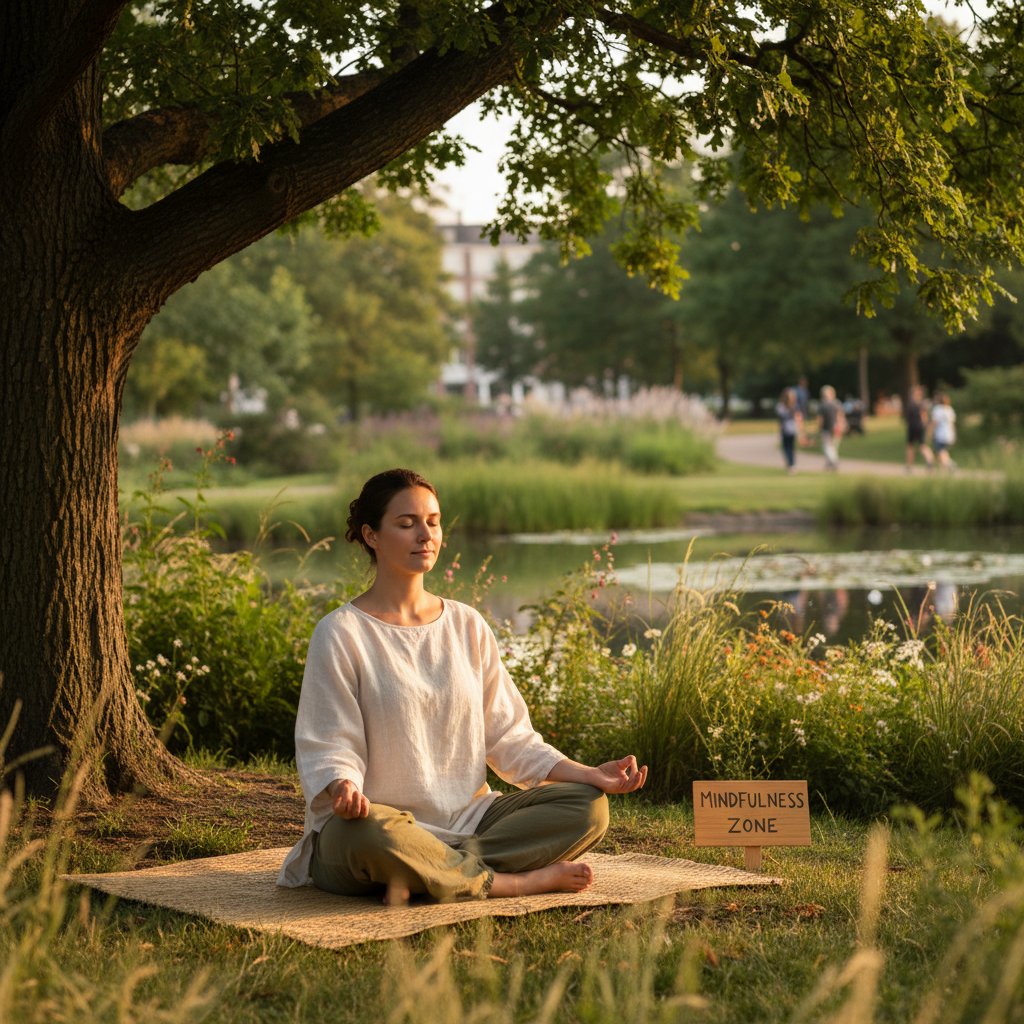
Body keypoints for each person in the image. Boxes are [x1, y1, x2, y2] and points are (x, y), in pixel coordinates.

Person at [277, 468, 649, 904]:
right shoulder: (341, 632)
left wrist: (589, 774)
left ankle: (436, 871)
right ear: (371, 535)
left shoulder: (466, 624)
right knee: (377, 836)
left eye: (433, 521)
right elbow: (328, 739)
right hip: (373, 826)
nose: (425, 535)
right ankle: (509, 882)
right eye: (406, 523)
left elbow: (510, 737)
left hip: (470, 819)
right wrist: (342, 786)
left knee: (586, 807)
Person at [904, 384, 934, 473]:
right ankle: (929, 462)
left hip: (912, 427)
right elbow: (924, 417)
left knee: (910, 446)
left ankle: (909, 467)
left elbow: (921, 416)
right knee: (922, 446)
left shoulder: (911, 403)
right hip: (920, 427)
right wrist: (926, 426)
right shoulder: (922, 403)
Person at [818, 385, 845, 472]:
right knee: (832, 447)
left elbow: (820, 419)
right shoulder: (837, 404)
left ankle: (833, 462)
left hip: (827, 428)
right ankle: (829, 464)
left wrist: (819, 428)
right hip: (835, 427)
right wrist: (841, 425)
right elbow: (840, 416)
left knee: (827, 447)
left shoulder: (822, 405)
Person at [776, 387, 802, 472]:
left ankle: (790, 464)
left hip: (786, 429)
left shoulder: (780, 406)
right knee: (791, 447)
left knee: (786, 448)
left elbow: (780, 421)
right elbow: (798, 418)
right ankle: (792, 464)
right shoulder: (794, 406)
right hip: (792, 429)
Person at [929, 391, 957, 469]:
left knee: (940, 452)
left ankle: (950, 464)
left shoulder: (937, 410)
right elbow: (953, 424)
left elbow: (934, 423)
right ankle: (944, 468)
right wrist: (954, 435)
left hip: (940, 435)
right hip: (949, 435)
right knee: (943, 452)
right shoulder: (950, 410)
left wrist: (930, 433)